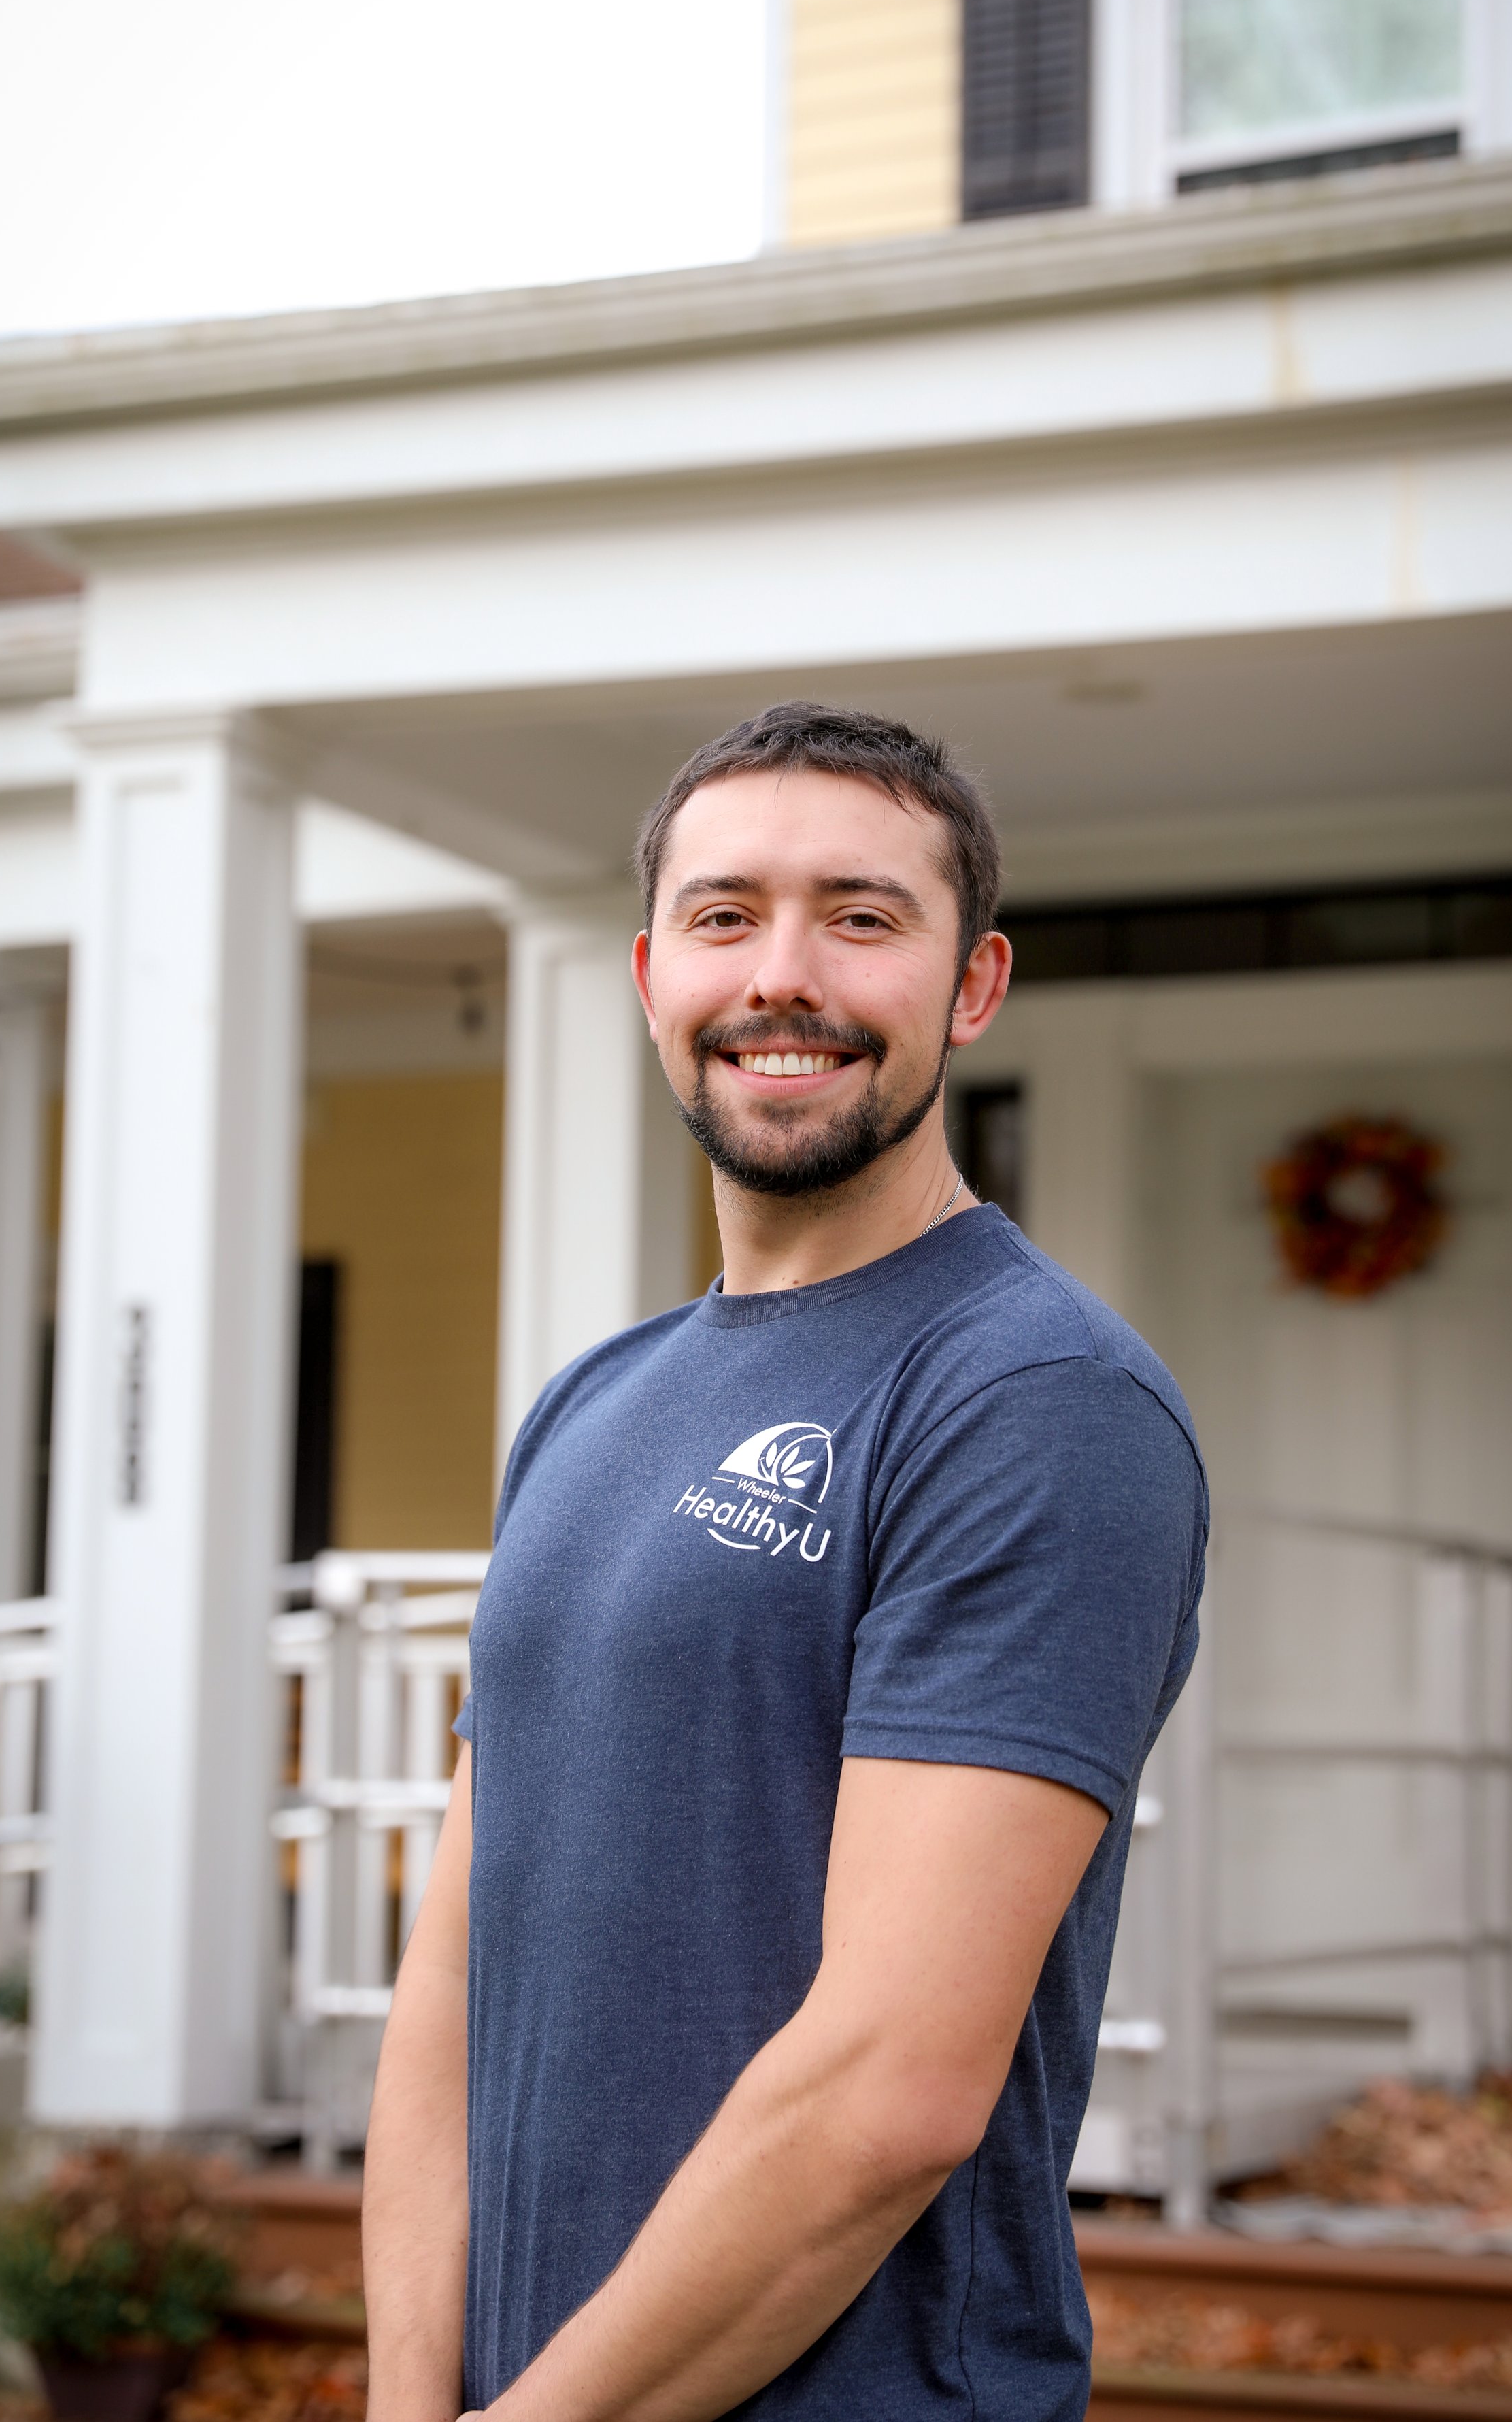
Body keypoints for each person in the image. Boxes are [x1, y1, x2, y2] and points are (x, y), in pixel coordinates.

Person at [363, 703, 1207, 2422]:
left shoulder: (1031, 1400)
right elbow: (453, 1982)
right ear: (651, 973)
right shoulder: (588, 1406)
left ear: (970, 989)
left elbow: (887, 2087)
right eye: (725, 915)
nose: (782, 976)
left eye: (862, 916)